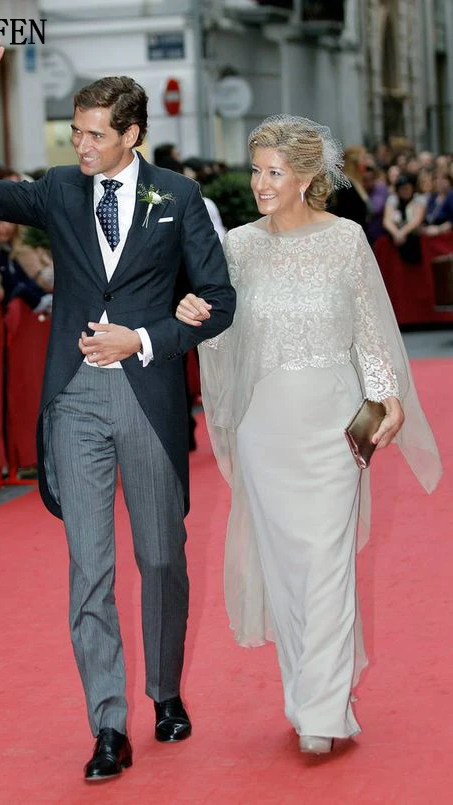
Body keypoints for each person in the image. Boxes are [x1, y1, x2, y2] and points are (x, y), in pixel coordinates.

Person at [0, 41, 235, 781]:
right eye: (76, 131)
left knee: (160, 556)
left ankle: (165, 690)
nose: (82, 145)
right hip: (73, 400)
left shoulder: (179, 198)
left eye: (96, 133)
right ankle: (108, 723)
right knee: (89, 566)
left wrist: (148, 337)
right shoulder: (60, 189)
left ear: (133, 134)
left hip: (148, 392)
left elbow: (219, 300)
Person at [175, 115, 441, 756]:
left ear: (306, 177)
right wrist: (193, 314)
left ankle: (322, 707)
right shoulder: (238, 246)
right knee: (288, 570)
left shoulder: (346, 240)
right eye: (256, 170)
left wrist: (386, 392)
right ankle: (306, 693)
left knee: (326, 564)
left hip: (332, 426)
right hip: (264, 429)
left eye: (274, 172)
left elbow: (370, 331)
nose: (260, 183)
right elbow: (224, 333)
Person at [382, 173, 426, 264]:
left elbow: (416, 220)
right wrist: (396, 234)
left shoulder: (419, 199)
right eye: (402, 189)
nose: (405, 191)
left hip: (413, 238)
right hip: (395, 238)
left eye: (407, 188)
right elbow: (387, 221)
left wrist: (402, 233)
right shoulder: (393, 199)